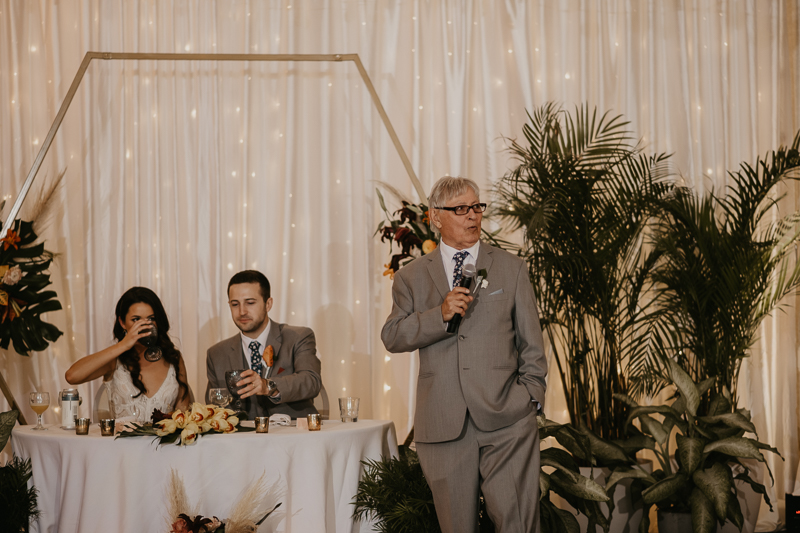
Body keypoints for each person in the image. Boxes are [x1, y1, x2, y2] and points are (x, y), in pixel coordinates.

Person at [381, 176, 547, 533]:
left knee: (518, 525)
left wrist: (530, 398)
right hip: (443, 425)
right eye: (460, 209)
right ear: (435, 217)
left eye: (476, 207)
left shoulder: (511, 268)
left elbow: (532, 345)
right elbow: (392, 336)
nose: (472, 216)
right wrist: (437, 315)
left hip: (508, 421)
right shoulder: (411, 277)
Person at [206, 270, 321, 420]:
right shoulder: (216, 354)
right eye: (235, 304)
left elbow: (311, 381)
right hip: (240, 441)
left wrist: (268, 386)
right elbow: (214, 408)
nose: (242, 311)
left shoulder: (298, 337)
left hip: (293, 436)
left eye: (250, 303)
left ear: (268, 304)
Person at [65, 287, 191, 423]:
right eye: (136, 320)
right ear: (122, 323)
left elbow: (183, 413)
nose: (145, 325)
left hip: (163, 444)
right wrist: (123, 345)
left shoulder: (173, 358)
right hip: (121, 443)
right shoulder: (114, 360)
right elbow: (72, 376)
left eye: (151, 319)